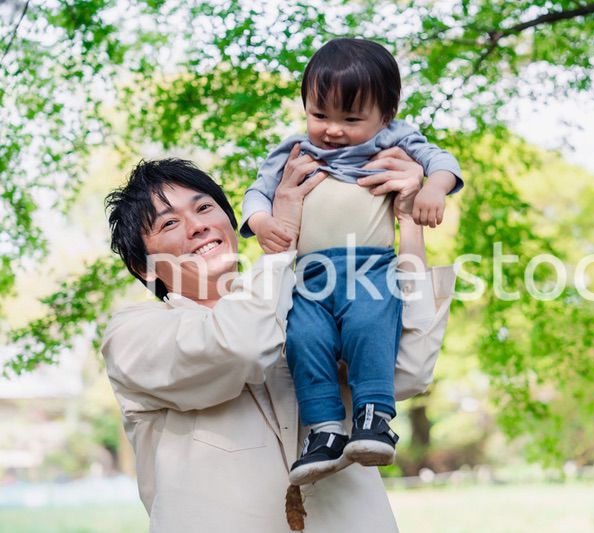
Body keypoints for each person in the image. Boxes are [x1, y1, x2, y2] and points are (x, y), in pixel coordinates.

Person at [101, 152, 455, 532]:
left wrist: (408, 222)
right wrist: (281, 242)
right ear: (143, 265)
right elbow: (241, 347)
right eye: (169, 223)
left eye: (204, 207)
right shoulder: (133, 334)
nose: (197, 226)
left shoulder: (302, 304)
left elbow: (407, 372)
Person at [241, 38, 463, 484]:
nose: (333, 130)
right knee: (305, 340)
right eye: (319, 115)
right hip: (310, 275)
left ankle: (374, 418)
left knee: (369, 327)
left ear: (386, 114)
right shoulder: (293, 152)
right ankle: (323, 431)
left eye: (351, 118)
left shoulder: (394, 141)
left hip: (371, 269)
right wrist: (262, 222)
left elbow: (441, 162)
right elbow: (257, 193)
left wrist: (434, 189)